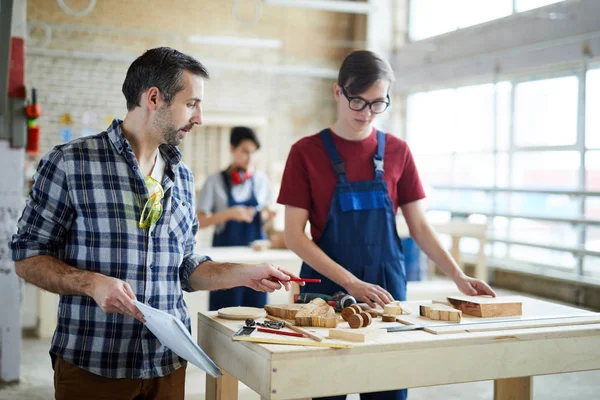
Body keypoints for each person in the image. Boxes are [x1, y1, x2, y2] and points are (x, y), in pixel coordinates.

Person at [9, 47, 295, 400]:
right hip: (94, 363)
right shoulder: (71, 163)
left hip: (168, 365)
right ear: (154, 98)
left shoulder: (184, 177)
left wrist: (243, 272)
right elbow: (26, 257)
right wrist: (90, 282)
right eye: (192, 104)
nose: (200, 117)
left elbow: (185, 267)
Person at [277, 50, 496, 400]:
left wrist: (459, 275)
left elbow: (420, 227)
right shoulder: (305, 153)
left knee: (388, 388)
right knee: (326, 388)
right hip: (327, 293)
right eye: (358, 102)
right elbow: (293, 235)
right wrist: (350, 282)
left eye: (378, 103)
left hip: (387, 290)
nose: (366, 113)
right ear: (338, 92)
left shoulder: (398, 151)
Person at [197, 126, 276, 311]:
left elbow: (267, 226)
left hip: (256, 263)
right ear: (232, 149)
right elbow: (198, 222)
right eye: (245, 151)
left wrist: (268, 217)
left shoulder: (261, 181)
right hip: (224, 265)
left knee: (256, 316)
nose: (250, 158)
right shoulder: (214, 181)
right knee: (222, 314)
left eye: (254, 153)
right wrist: (230, 214)